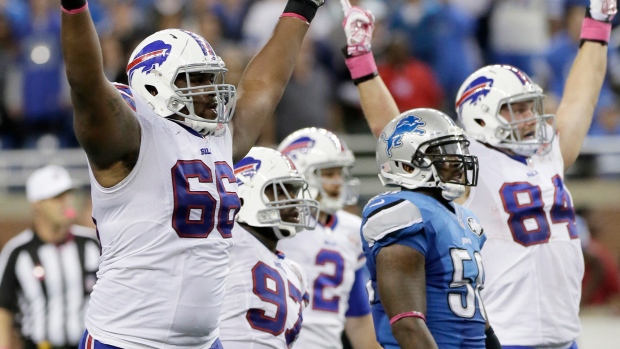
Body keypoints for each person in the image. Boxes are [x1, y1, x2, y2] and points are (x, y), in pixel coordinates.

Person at [340, 0, 617, 347]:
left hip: (565, 334)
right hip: (506, 333)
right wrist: (362, 60)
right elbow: (395, 129)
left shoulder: (546, 153)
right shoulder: (469, 159)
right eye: (515, 109)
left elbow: (582, 98)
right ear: (481, 115)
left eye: (530, 107)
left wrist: (598, 23)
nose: (530, 118)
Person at [58, 0, 326, 347]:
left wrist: (303, 7)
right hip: (127, 339)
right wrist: (74, 7)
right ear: (154, 86)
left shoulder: (218, 139)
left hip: (204, 341)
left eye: (213, 78)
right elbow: (86, 83)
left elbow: (264, 85)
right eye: (196, 80)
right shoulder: (129, 137)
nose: (211, 92)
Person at [360, 109, 499, 348]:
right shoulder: (402, 213)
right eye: (444, 153)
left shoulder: (465, 219)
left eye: (457, 150)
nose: (457, 161)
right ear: (407, 166)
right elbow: (407, 324)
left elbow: (472, 304)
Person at [276, 127, 381, 349]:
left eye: (340, 173)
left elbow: (358, 315)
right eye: (328, 173)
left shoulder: (353, 228)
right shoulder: (278, 226)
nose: (337, 181)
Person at [219, 147, 319, 348]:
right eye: (280, 191)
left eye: (294, 191)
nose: (295, 200)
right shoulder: (224, 242)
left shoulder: (295, 273)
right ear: (243, 193)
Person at [0, 165, 99, 349]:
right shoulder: (18, 252)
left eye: (68, 194)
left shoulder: (92, 243)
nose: (66, 202)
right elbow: (3, 309)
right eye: (56, 197)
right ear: (36, 204)